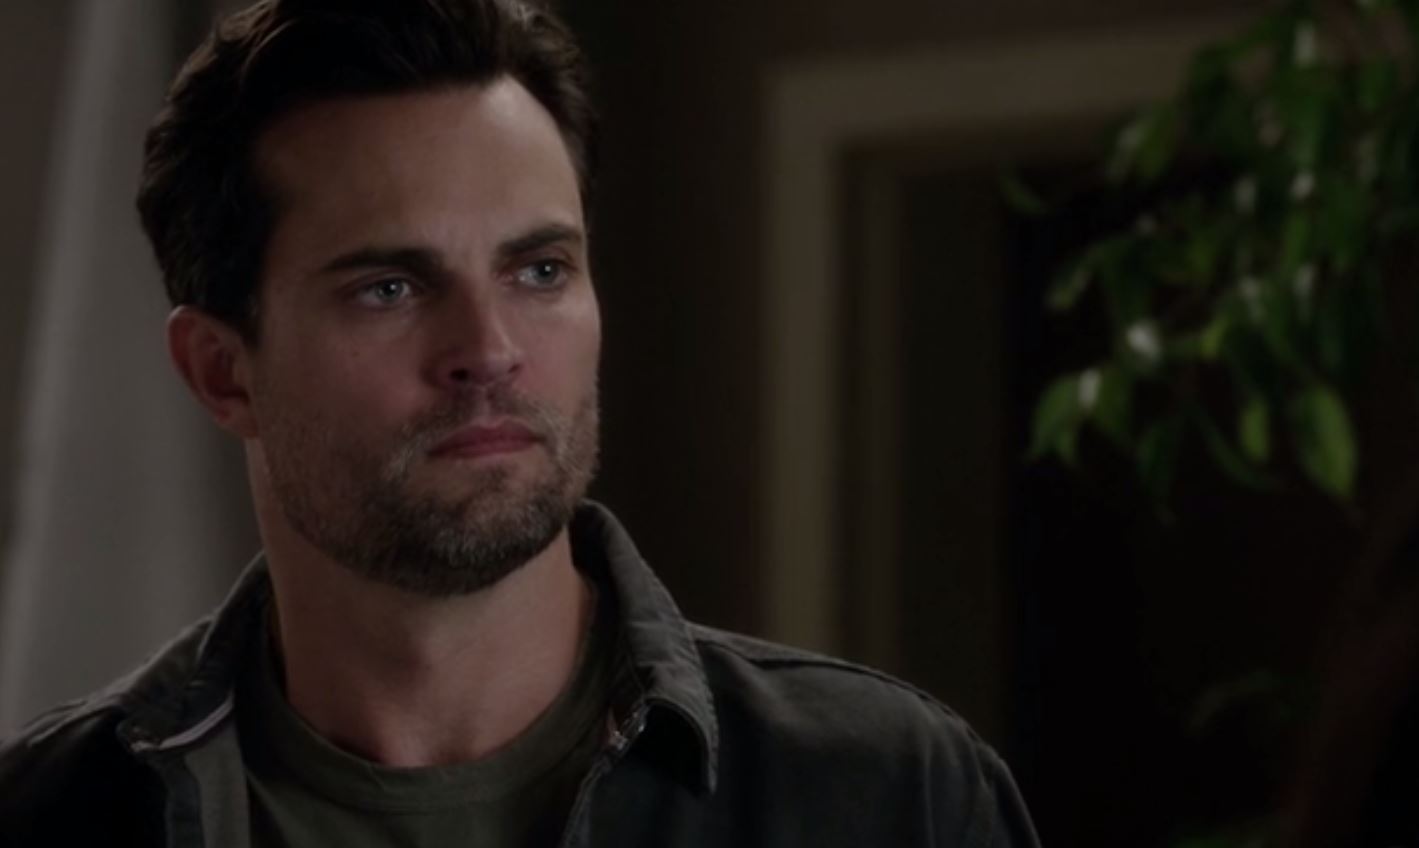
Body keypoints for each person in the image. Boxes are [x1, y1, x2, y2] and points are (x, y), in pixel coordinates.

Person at [0, 1, 1040, 844]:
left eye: (539, 270)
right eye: (389, 288)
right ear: (221, 372)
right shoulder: (50, 816)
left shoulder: (886, 793)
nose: (489, 349)